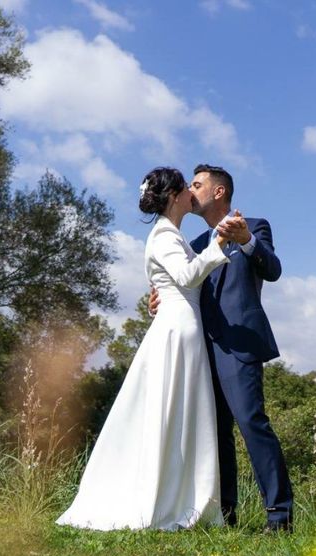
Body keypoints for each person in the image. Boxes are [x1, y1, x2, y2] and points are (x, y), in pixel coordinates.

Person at [57, 167, 234, 531]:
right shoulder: (165, 236)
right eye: (186, 188)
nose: (190, 193)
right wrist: (218, 246)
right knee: (171, 411)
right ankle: (163, 500)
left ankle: (182, 496)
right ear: (173, 197)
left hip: (183, 324)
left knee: (180, 413)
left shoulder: (172, 235)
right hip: (177, 329)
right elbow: (186, 277)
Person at [151, 164, 294, 532]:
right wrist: (161, 300)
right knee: (215, 435)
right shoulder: (193, 244)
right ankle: (224, 515)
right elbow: (184, 285)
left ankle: (279, 517)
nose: (189, 190)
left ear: (218, 192)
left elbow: (274, 270)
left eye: (196, 185)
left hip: (238, 347)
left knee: (252, 424)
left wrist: (246, 239)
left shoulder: (256, 226)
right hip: (198, 350)